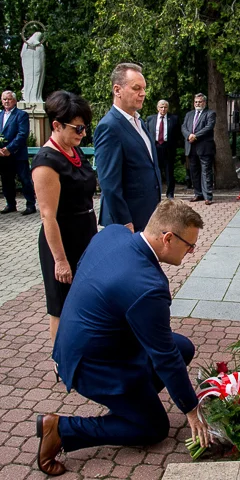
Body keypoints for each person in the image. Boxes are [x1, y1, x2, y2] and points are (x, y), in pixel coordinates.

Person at [37, 200, 210, 476]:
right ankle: (60, 429)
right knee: (154, 428)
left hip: (87, 342)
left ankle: (134, 400)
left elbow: (84, 268)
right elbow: (164, 357)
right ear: (167, 238)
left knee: (183, 348)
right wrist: (191, 409)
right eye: (189, 245)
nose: (191, 252)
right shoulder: (147, 287)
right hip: (89, 364)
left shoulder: (114, 233)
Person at [32, 91, 98, 342]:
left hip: (85, 233)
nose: (83, 133)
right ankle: (63, 362)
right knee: (61, 306)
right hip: (63, 239)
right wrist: (60, 260)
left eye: (85, 128)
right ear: (56, 125)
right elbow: (48, 216)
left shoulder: (74, 150)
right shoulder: (47, 162)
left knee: (83, 299)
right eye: (77, 128)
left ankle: (82, 353)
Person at [94, 63, 161, 232]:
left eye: (144, 88)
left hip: (147, 213)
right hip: (127, 219)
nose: (143, 93)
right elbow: (109, 182)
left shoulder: (140, 122)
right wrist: (124, 222)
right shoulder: (109, 127)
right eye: (136, 88)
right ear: (117, 90)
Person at [0, 90, 37, 215]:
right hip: (2, 155)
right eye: (4, 99)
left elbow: (22, 134)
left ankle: (30, 205)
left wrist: (9, 149)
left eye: (9, 99)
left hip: (17, 154)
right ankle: (10, 204)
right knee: (7, 181)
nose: (6, 101)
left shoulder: (21, 115)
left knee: (24, 180)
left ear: (15, 101)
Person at [181, 93, 216, 205]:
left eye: (200, 102)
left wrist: (195, 136)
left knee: (206, 172)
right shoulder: (189, 114)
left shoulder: (210, 113)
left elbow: (209, 127)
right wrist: (188, 135)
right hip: (191, 147)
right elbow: (183, 127)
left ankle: (208, 197)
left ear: (204, 103)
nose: (197, 103)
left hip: (204, 147)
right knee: (194, 171)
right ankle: (198, 194)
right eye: (196, 102)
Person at [146, 100, 180, 199]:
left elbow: (178, 134)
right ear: (157, 108)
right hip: (155, 148)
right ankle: (156, 193)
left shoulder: (174, 119)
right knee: (156, 172)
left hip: (168, 148)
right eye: (161, 107)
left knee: (169, 172)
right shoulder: (150, 119)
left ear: (168, 108)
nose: (163, 109)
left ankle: (170, 194)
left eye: (165, 107)